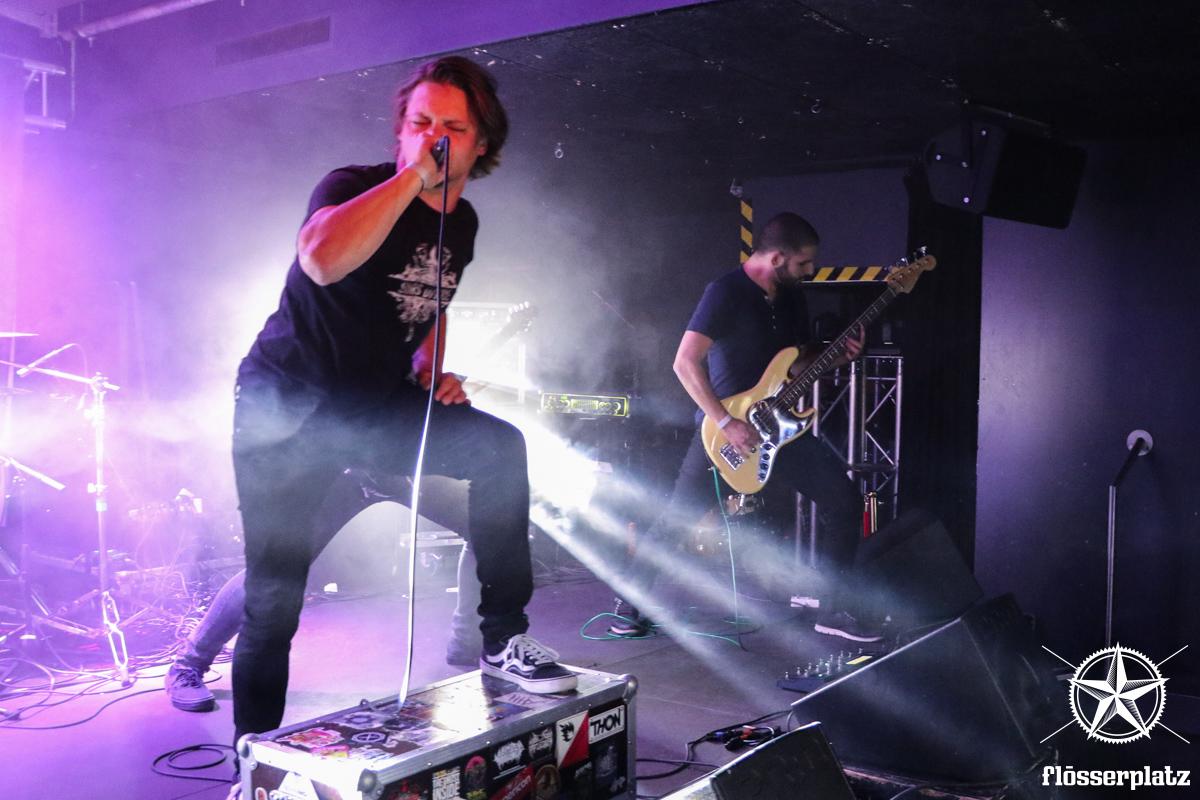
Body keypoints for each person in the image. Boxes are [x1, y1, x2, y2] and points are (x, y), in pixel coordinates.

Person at [228, 55, 575, 747]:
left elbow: (431, 299)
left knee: (500, 449)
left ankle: (502, 637)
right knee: (273, 601)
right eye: (420, 123)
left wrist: (429, 366)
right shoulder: (352, 186)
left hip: (373, 409)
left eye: (452, 128)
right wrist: (413, 177)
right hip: (287, 409)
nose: (433, 138)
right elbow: (322, 259)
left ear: (482, 145)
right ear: (400, 131)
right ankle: (251, 765)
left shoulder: (462, 223)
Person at [609, 212, 882, 643]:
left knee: (844, 500)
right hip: (724, 434)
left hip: (778, 426)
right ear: (776, 258)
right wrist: (726, 421)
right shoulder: (725, 292)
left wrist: (838, 356)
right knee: (679, 518)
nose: (810, 270)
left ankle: (832, 609)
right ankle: (630, 604)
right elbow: (684, 362)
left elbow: (796, 364)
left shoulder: (791, 297)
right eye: (803, 263)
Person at [163, 471, 484, 711]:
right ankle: (188, 664)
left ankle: (467, 643)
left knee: (485, 530)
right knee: (276, 568)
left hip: (406, 464)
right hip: (344, 464)